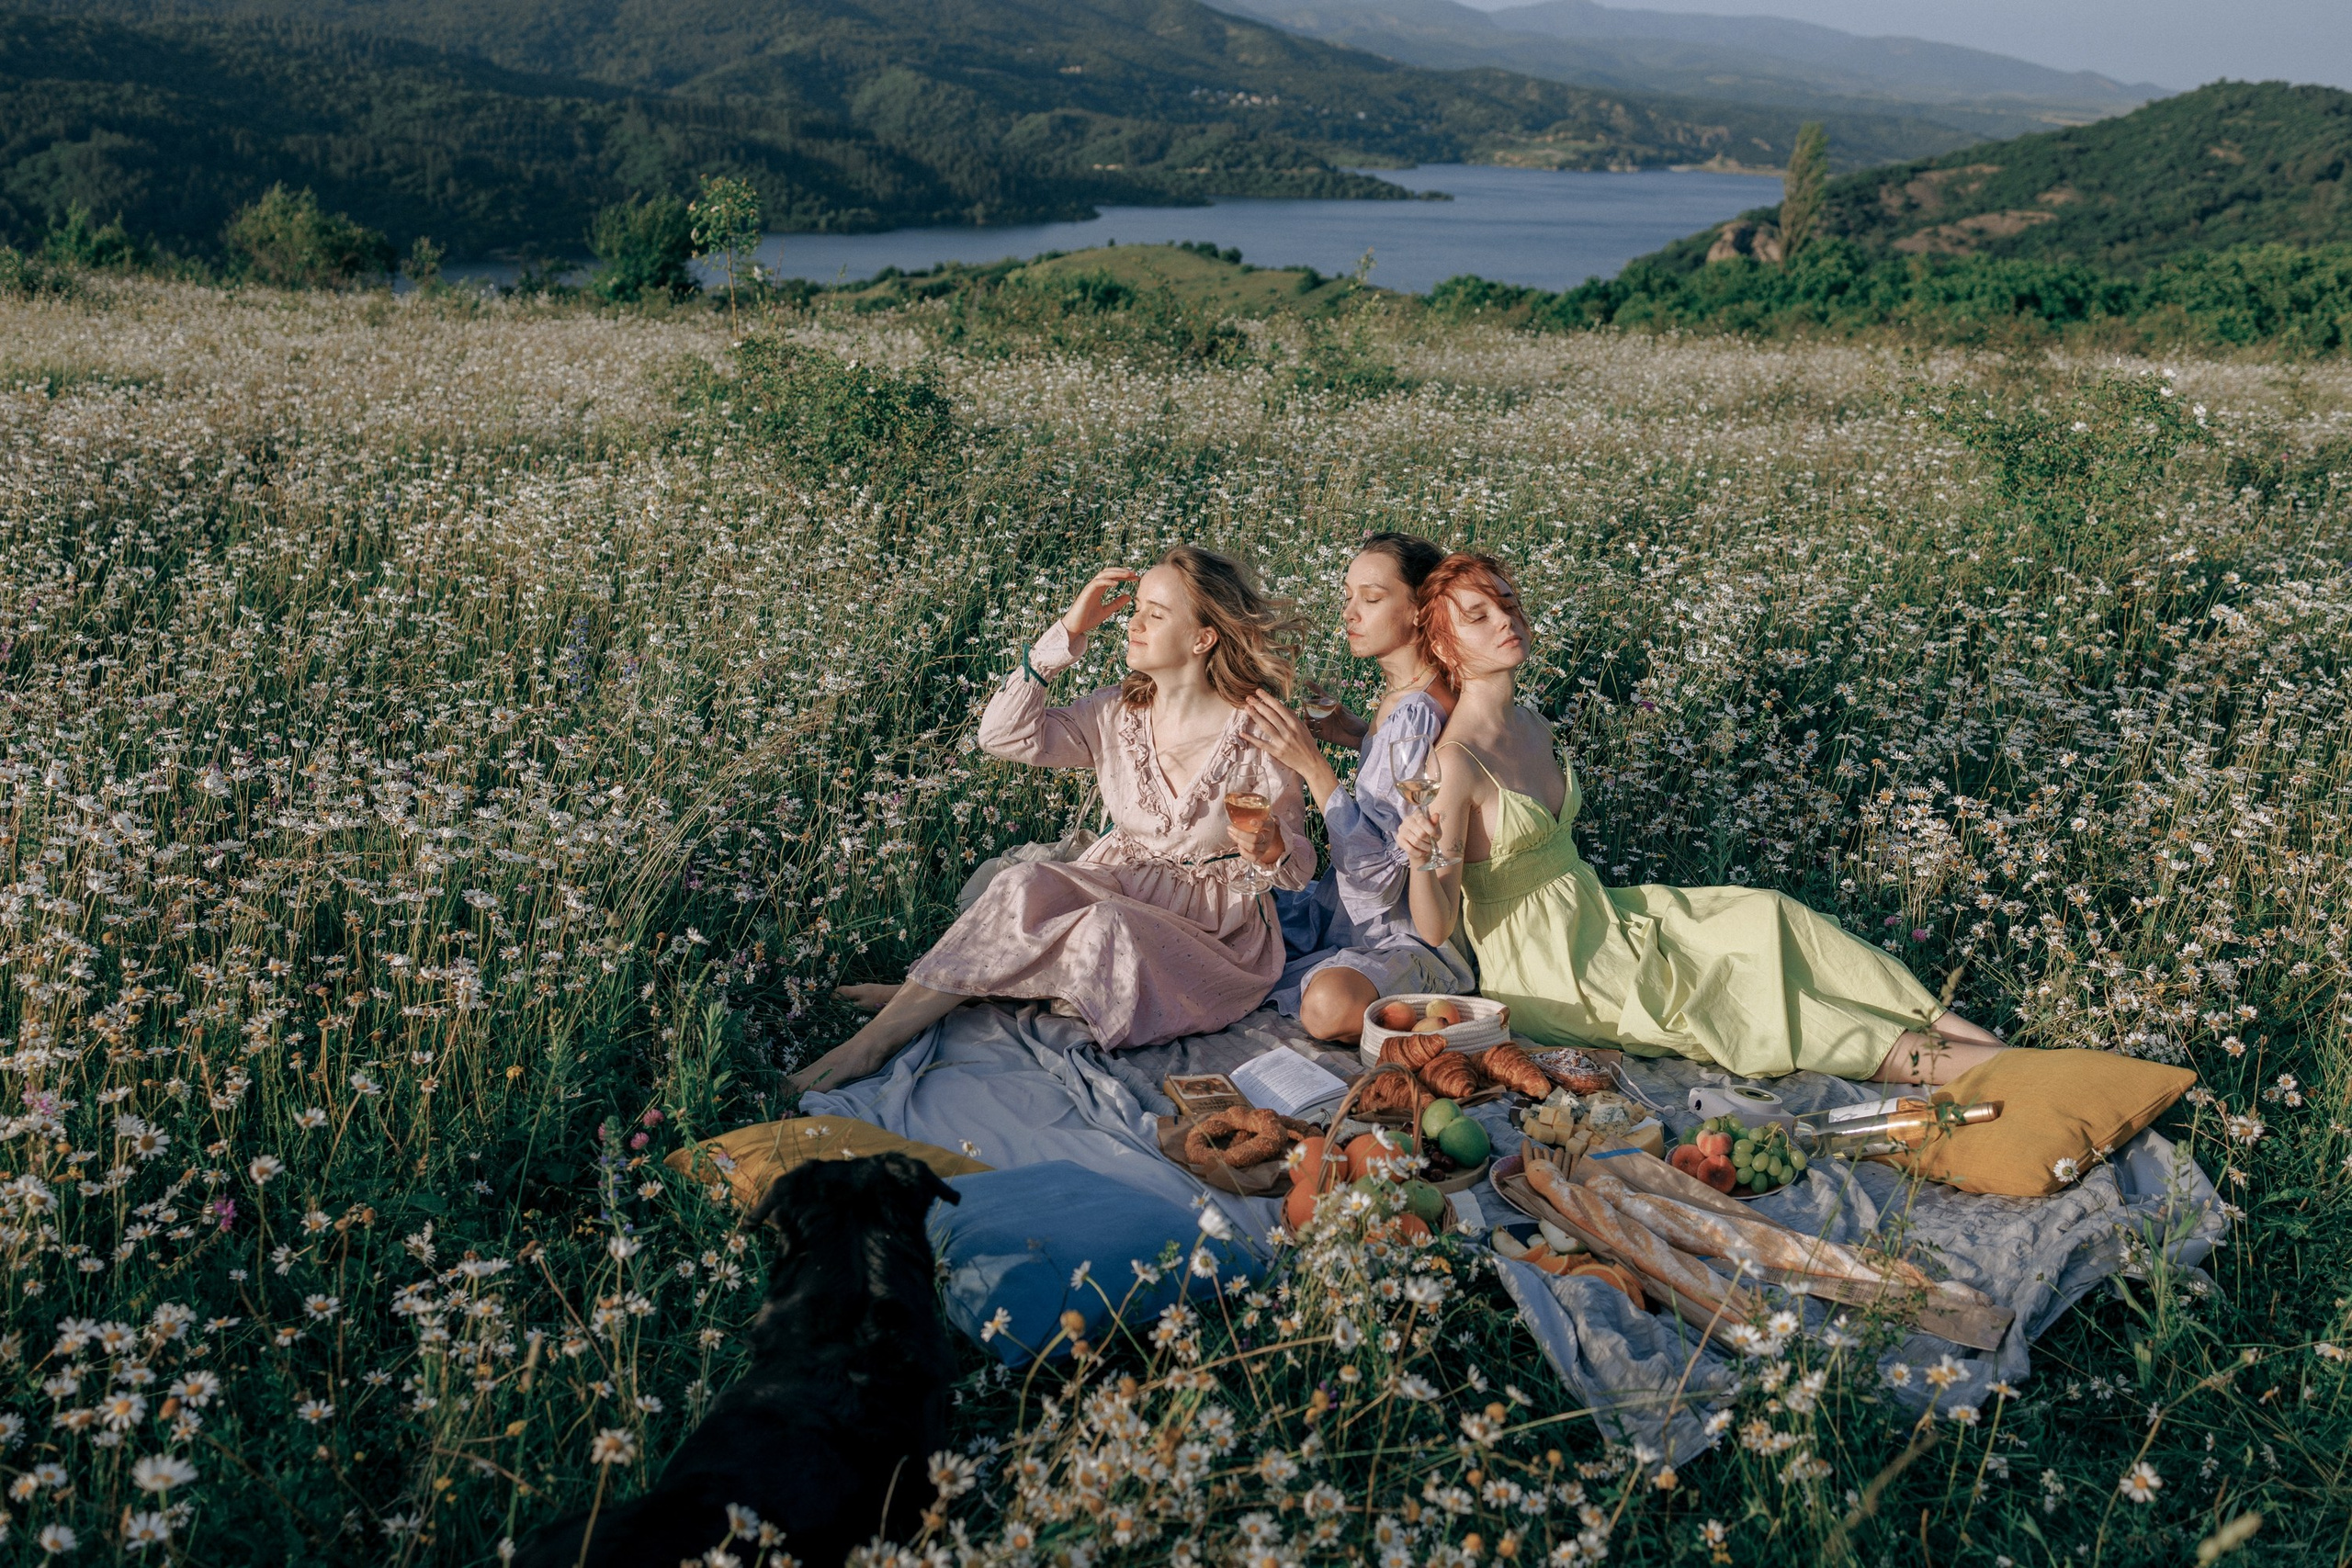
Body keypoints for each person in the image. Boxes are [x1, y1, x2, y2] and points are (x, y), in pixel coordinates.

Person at [1396, 553, 2005, 1086]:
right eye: (1478, 616)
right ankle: (1972, 1066)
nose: (1505, 620)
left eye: (1508, 604)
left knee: (1766, 915)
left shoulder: (1532, 724)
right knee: (1734, 996)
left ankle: (1958, 1030)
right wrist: (1421, 857)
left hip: (1604, 915)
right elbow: (1435, 924)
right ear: (1445, 647)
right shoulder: (1455, 763)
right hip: (1555, 971)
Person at [791, 546, 1316, 1092]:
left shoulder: (1259, 730)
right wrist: (1065, 636)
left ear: (1202, 638)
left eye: (1155, 615)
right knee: (1021, 883)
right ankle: (874, 1042)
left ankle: (959, 989)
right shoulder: (1116, 713)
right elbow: (1002, 736)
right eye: (1136, 607)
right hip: (1119, 881)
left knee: (1106, 925)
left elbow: (1299, 866)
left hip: (1211, 932)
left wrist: (1272, 849)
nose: (1132, 623)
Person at [1239, 534, 1476, 1042]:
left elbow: (1374, 877)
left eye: (1371, 599)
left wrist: (1313, 766)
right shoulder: (1413, 695)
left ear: (1420, 611)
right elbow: (1402, 781)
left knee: (1325, 1005)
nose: (1350, 613)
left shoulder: (1414, 714)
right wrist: (1358, 733)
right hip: (1353, 915)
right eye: (1348, 597)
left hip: (1400, 936)